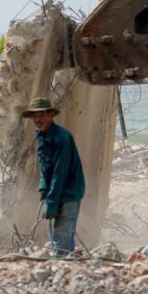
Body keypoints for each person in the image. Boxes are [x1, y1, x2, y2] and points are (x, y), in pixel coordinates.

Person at [22, 96, 85, 257]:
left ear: (51, 115)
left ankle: (62, 265)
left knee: (61, 235)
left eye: (41, 115)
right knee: (52, 231)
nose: (38, 119)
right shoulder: (41, 135)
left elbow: (60, 172)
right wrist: (43, 187)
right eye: (34, 116)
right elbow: (46, 168)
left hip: (69, 192)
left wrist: (51, 201)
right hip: (54, 192)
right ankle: (62, 263)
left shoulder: (62, 138)